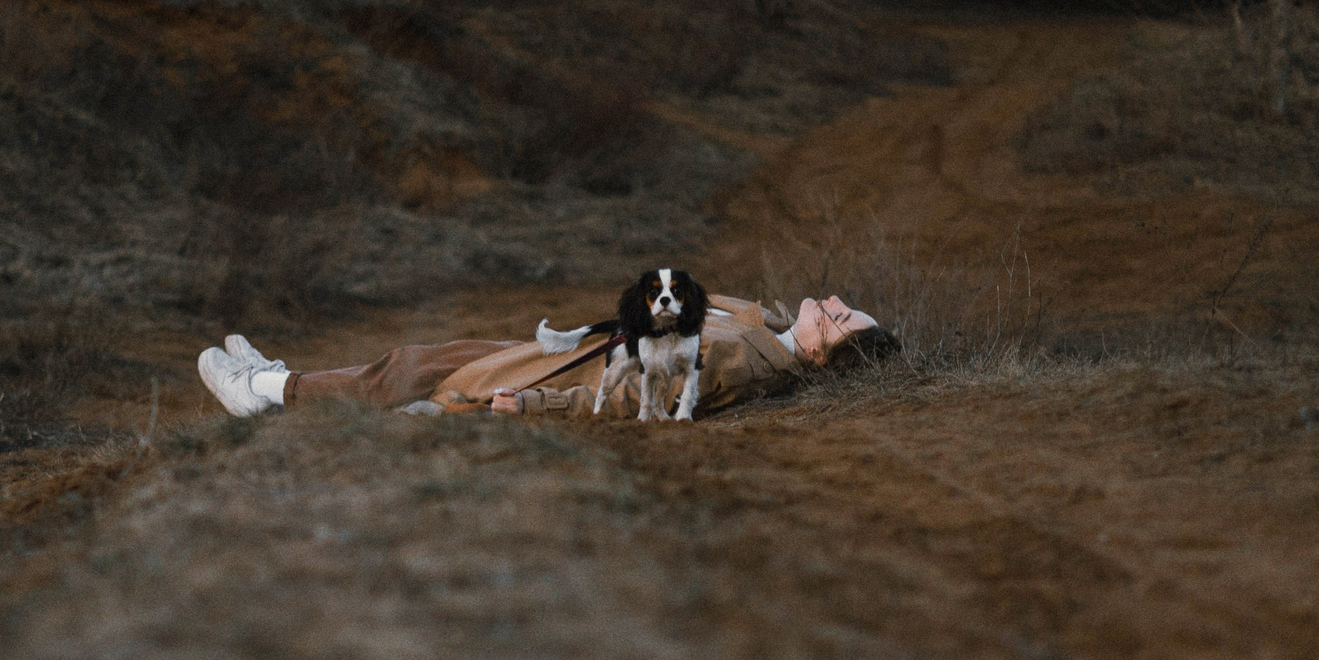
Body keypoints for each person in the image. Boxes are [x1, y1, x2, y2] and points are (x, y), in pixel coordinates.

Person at [197, 293, 890, 419]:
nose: (830, 300)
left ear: (822, 350)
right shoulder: (768, 330)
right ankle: (279, 387)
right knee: (428, 363)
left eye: (836, 316)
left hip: (571, 375)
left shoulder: (750, 359)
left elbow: (642, 399)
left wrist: (536, 404)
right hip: (578, 351)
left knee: (415, 372)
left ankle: (262, 391)